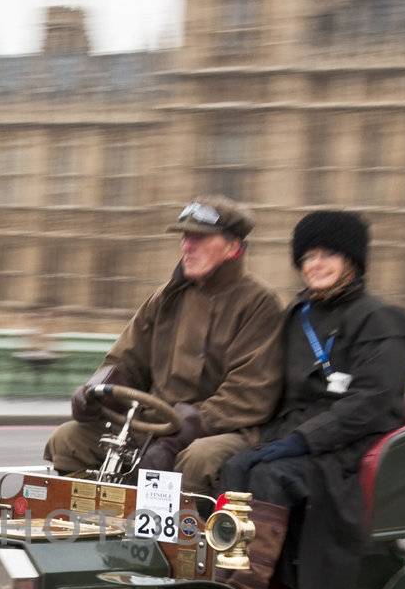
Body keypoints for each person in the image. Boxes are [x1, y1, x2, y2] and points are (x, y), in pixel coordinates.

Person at [217, 210, 405, 589]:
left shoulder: (380, 321)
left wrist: (301, 440)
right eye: (308, 256)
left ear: (352, 261)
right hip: (293, 435)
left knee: (269, 477)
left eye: (329, 254)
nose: (317, 264)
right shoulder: (298, 316)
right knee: (232, 466)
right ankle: (232, 580)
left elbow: (372, 401)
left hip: (345, 450)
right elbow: (267, 381)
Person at [44, 195, 284, 495]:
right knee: (69, 439)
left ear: (233, 248)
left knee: (198, 460)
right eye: (185, 238)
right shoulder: (165, 297)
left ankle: (191, 537)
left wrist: (179, 435)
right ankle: (84, 522)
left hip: (219, 428)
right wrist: (96, 390)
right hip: (153, 423)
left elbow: (248, 393)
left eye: (199, 239)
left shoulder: (259, 303)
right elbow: (126, 360)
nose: (186, 246)